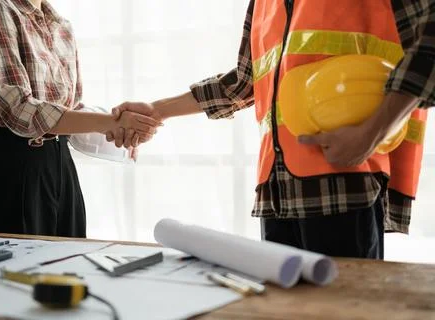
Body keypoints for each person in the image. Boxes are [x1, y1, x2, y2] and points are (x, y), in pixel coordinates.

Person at [110, 0, 434, 259]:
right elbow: (242, 83)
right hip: (276, 193)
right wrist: (157, 111)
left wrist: (371, 133)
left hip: (342, 181)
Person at [0, 0, 160, 237]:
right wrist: (113, 122)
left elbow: (70, 107)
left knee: (70, 265)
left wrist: (121, 129)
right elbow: (18, 108)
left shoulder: (61, 26)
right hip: (12, 166)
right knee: (14, 270)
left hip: (61, 164)